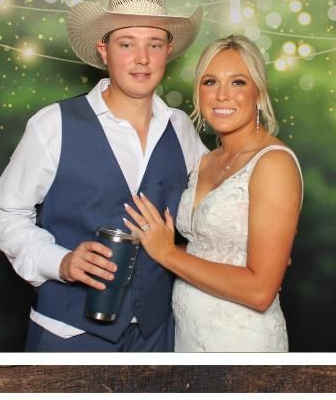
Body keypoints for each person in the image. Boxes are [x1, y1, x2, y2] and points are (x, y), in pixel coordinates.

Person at [0, 0, 204, 353]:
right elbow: (4, 214)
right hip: (67, 334)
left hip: (158, 336)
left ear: (168, 50)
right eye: (126, 44)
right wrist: (62, 261)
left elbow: (213, 208)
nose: (142, 58)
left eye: (154, 44)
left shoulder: (181, 128)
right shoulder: (53, 123)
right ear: (104, 50)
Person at [124, 35, 303, 353]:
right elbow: (210, 245)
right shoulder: (205, 160)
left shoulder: (274, 163)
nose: (222, 95)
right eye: (210, 82)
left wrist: (167, 253)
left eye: (237, 82)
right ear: (199, 92)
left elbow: (261, 290)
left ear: (258, 92)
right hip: (186, 338)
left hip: (241, 342)